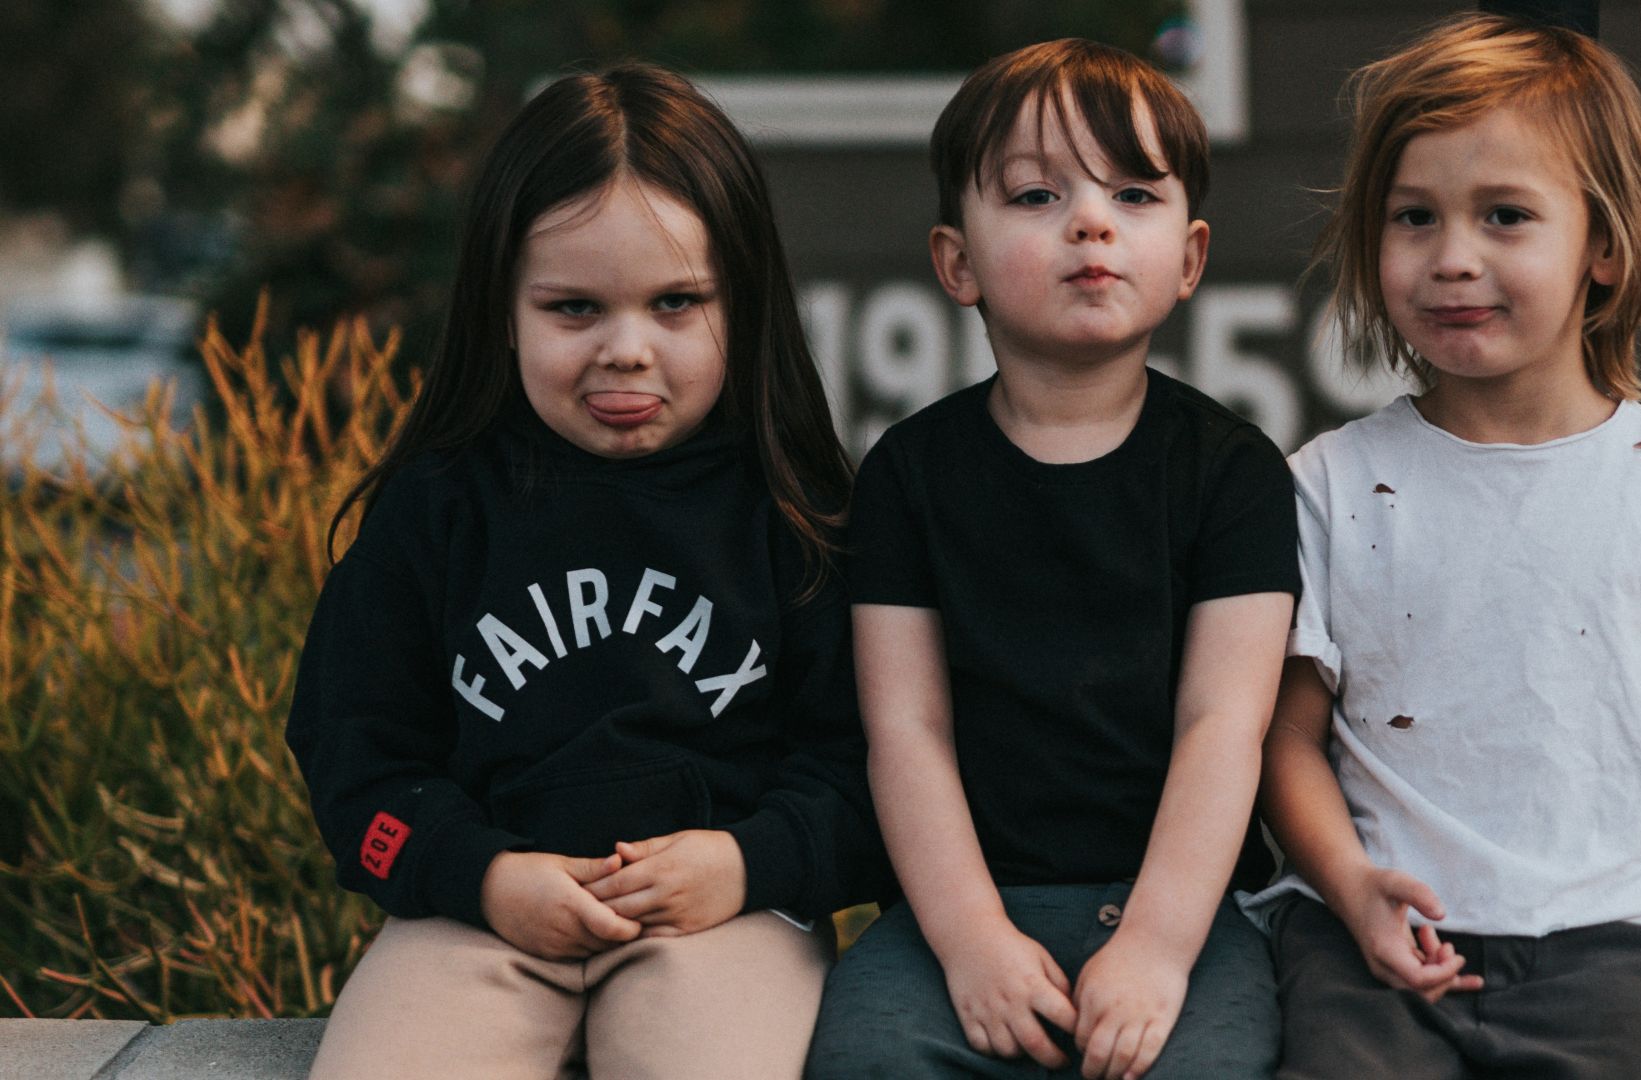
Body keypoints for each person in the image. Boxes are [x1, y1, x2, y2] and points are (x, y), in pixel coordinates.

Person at [1243, 13, 1641, 1077]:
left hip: (1606, 941)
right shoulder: (1329, 484)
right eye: (1415, 217)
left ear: (1605, 248)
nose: (1452, 259)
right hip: (1366, 933)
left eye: (1506, 215)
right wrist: (1348, 885)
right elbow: (1285, 737)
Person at [285, 63, 885, 1080]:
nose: (626, 349)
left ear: (742, 302)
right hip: (477, 919)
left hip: (728, 920)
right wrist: (478, 875)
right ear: (501, 307)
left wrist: (746, 862)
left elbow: (872, 772)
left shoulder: (798, 512)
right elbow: (355, 759)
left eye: (676, 303)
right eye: (573, 308)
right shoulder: (438, 508)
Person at [805, 38, 1299, 1080]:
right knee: (866, 1059)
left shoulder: (1233, 472)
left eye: (1132, 193)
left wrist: (1159, 951)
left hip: (1184, 908)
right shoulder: (908, 475)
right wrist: (971, 941)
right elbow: (907, 729)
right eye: (1036, 195)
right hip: (961, 905)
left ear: (1192, 258)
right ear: (956, 263)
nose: (1090, 222)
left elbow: (1224, 725)